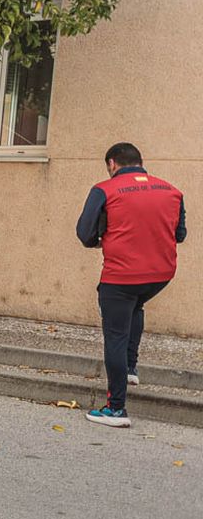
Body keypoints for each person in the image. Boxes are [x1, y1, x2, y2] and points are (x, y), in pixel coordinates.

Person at [76, 142, 186, 428]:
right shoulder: (172, 190)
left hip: (121, 275)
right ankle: (131, 368)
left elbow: (84, 233)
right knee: (136, 306)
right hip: (160, 274)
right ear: (139, 162)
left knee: (115, 334)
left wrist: (98, 240)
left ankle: (115, 409)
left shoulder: (104, 189)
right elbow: (180, 234)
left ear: (113, 163)